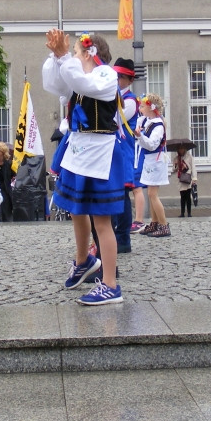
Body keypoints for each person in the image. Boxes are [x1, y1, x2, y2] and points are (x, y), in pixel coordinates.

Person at [43, 29, 125, 305]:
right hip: (79, 150)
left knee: (101, 220)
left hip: (100, 151)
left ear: (90, 54)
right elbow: (55, 84)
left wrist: (64, 57)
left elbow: (86, 85)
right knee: (74, 208)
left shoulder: (106, 75)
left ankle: (111, 285)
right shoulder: (78, 78)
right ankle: (84, 260)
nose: (74, 58)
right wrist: (58, 57)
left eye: (77, 53)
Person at [134, 93, 171, 238]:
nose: (140, 109)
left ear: (151, 108)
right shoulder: (147, 120)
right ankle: (155, 223)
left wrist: (139, 136)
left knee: (152, 194)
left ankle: (163, 224)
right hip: (150, 160)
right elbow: (138, 120)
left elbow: (151, 144)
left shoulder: (158, 125)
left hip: (156, 160)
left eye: (143, 106)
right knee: (151, 193)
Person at [112, 57, 138, 253]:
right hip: (113, 151)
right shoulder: (114, 96)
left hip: (123, 151)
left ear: (129, 80)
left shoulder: (129, 101)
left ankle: (123, 238)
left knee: (122, 195)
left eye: (121, 77)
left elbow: (114, 119)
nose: (117, 80)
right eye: (116, 76)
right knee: (113, 194)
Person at [0, 141, 14, 222]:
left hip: (6, 189)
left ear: (3, 151)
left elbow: (13, 175)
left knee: (6, 210)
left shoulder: (9, 163)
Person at [174, 145, 198, 218]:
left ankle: (189, 212)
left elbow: (193, 167)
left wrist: (194, 178)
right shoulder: (176, 158)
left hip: (188, 178)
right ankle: (182, 213)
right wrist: (176, 165)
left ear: (184, 149)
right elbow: (173, 169)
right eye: (179, 149)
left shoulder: (189, 157)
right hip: (181, 179)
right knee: (182, 196)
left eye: (182, 149)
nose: (181, 150)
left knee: (188, 196)